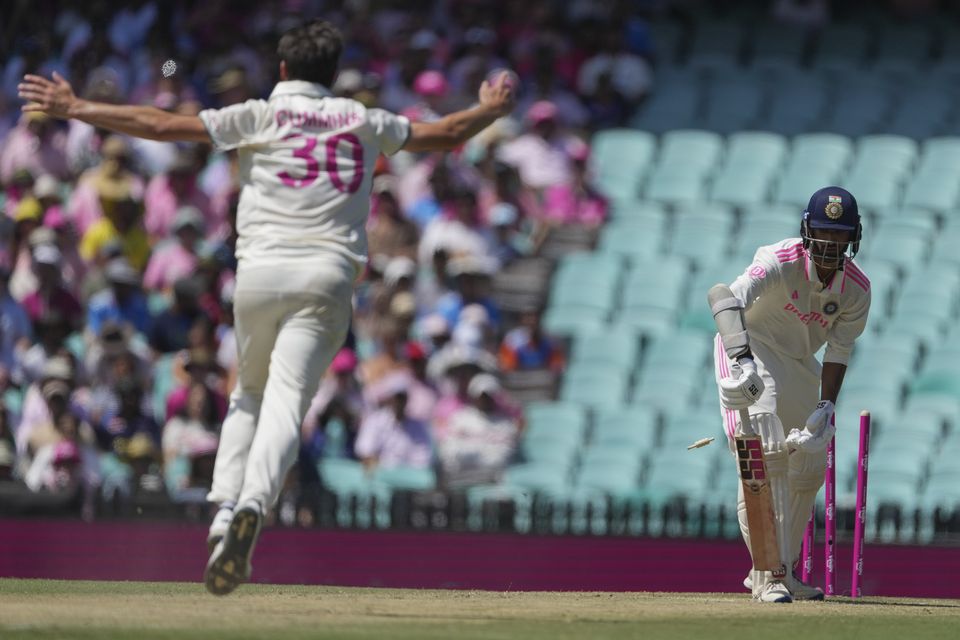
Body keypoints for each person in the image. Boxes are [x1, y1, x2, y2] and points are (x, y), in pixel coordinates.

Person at [18, 18, 514, 596]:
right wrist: (490, 111)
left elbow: (157, 124)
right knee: (285, 399)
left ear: (282, 70)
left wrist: (77, 107)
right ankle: (255, 501)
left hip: (258, 274)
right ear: (333, 74)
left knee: (246, 393)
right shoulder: (363, 119)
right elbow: (449, 133)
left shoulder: (261, 113)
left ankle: (225, 511)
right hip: (327, 276)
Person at [711, 187, 870, 603]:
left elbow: (839, 350)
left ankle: (783, 569)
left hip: (799, 361)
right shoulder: (778, 260)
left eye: (839, 236)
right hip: (750, 346)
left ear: (854, 237)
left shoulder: (856, 290)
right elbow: (724, 297)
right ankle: (769, 573)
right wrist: (741, 360)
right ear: (806, 230)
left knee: (810, 462)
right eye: (822, 234)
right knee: (765, 453)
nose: (830, 245)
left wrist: (827, 404)